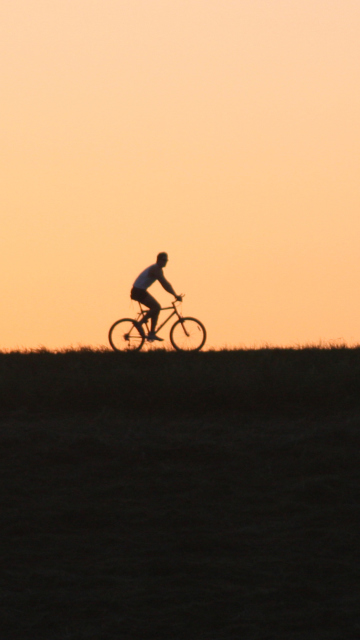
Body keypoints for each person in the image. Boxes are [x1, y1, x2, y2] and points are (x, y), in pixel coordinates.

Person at [130, 252, 182, 341]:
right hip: (138, 291)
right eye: (164, 260)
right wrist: (175, 295)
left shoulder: (158, 269)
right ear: (159, 260)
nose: (165, 262)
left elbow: (166, 284)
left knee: (156, 309)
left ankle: (152, 333)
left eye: (166, 260)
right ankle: (140, 323)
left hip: (140, 290)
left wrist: (174, 294)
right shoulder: (156, 269)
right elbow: (165, 284)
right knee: (157, 307)